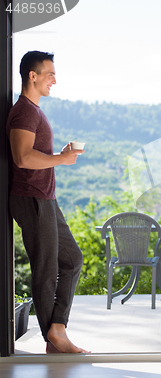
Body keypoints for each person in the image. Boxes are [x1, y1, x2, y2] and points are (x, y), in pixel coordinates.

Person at [6, 51, 89, 354]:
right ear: (33, 75)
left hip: (45, 199)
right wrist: (62, 159)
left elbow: (32, 153)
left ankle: (56, 329)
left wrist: (60, 156)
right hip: (31, 199)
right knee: (46, 268)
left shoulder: (34, 111)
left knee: (72, 260)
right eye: (50, 73)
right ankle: (53, 336)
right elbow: (22, 157)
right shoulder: (25, 111)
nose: (55, 79)